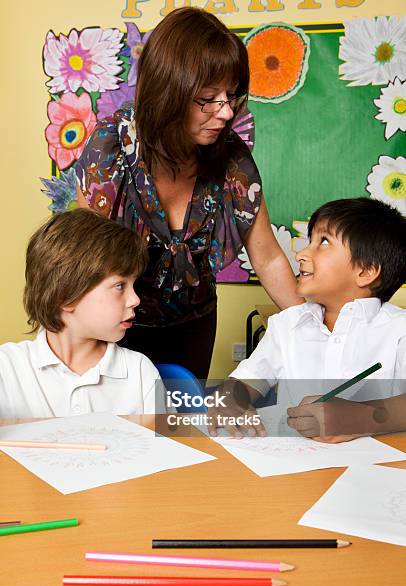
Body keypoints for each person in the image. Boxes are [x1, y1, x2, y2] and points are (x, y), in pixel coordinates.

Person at [75, 7, 302, 380]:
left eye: (230, 96)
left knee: (180, 426)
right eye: (208, 98)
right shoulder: (110, 147)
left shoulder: (232, 159)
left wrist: (309, 335)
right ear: (168, 91)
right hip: (113, 328)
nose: (226, 112)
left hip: (193, 326)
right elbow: (83, 257)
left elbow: (269, 257)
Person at [208, 197, 406, 441]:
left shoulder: (399, 331)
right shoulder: (287, 324)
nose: (301, 254)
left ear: (365, 271)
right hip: (294, 468)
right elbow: (243, 382)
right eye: (309, 241)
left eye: (323, 242)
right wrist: (230, 400)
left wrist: (358, 417)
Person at [0, 209, 166, 418]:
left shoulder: (140, 373)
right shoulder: (6, 368)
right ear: (66, 296)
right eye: (119, 286)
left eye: (133, 285)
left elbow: (169, 447)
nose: (135, 300)